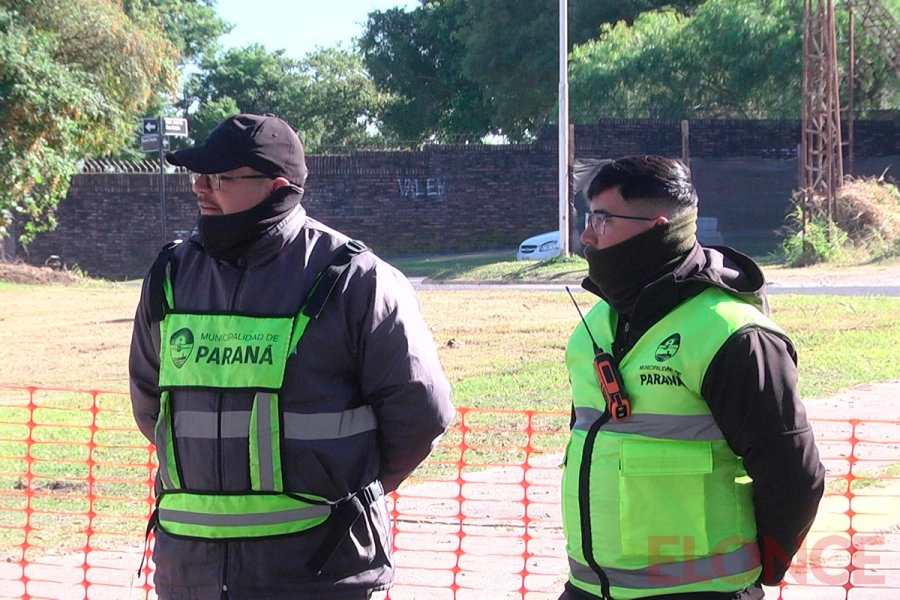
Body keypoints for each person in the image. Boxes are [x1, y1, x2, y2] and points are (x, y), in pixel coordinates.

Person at [129, 113, 455, 600]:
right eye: (197, 175)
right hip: (190, 575)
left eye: (218, 177)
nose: (199, 187)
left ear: (276, 186)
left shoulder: (355, 278)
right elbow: (152, 409)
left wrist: (351, 494)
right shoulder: (170, 275)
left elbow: (420, 414)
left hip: (319, 575)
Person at [560, 155, 824, 600]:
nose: (586, 236)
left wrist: (761, 566)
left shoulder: (733, 334)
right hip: (589, 589)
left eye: (601, 219)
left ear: (655, 227)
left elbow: (794, 474)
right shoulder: (595, 326)